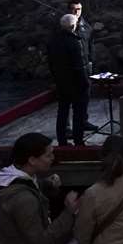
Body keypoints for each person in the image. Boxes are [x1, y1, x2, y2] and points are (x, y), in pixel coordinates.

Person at [47, 13, 91, 146]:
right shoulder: (74, 42)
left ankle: (62, 141)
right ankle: (79, 141)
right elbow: (79, 66)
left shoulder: (53, 41)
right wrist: (86, 82)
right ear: (73, 26)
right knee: (78, 113)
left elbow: (51, 63)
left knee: (63, 112)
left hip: (61, 82)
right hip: (76, 84)